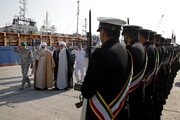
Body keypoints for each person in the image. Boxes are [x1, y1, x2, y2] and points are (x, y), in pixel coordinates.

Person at [81, 17, 133, 120]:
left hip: (102, 114)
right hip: (120, 112)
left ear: (103, 32)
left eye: (100, 32)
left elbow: (87, 91)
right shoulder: (126, 53)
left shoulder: (101, 54)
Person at [122, 25, 147, 120]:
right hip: (140, 89)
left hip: (132, 92)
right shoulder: (142, 47)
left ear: (126, 36)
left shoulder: (130, 49)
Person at [139, 29, 156, 120]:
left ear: (141, 37)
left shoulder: (147, 49)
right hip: (151, 82)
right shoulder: (152, 48)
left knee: (146, 111)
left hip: (147, 83)